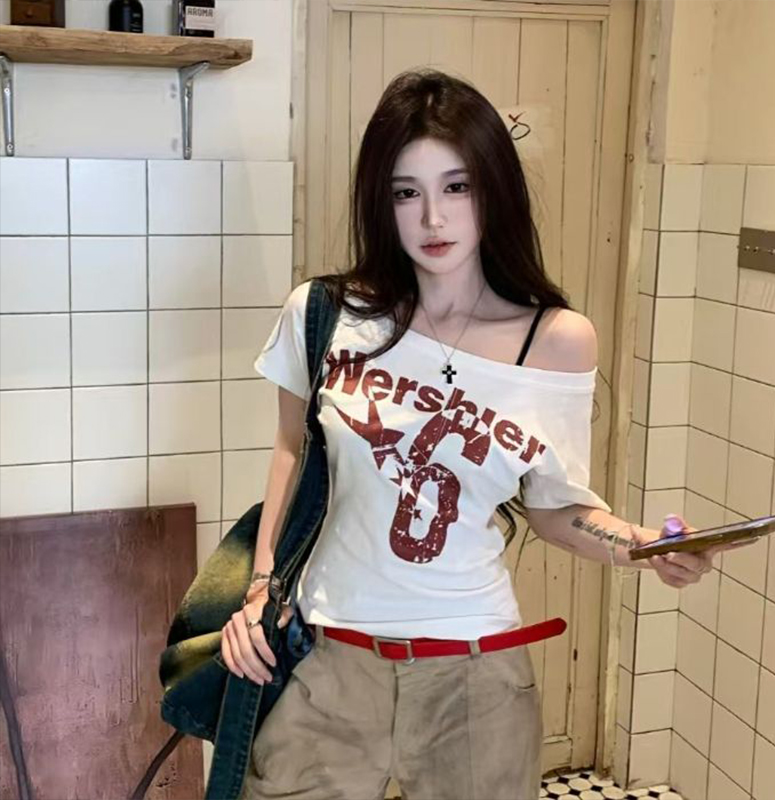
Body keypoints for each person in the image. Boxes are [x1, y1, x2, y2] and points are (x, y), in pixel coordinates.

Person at [221, 68, 724, 800]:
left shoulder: (556, 342)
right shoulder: (326, 314)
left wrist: (642, 545)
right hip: (328, 660)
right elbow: (292, 450)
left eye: (456, 187)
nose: (433, 219)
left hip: (474, 672)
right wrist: (260, 589)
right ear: (381, 201)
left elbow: (555, 507)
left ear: (494, 190)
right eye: (407, 192)